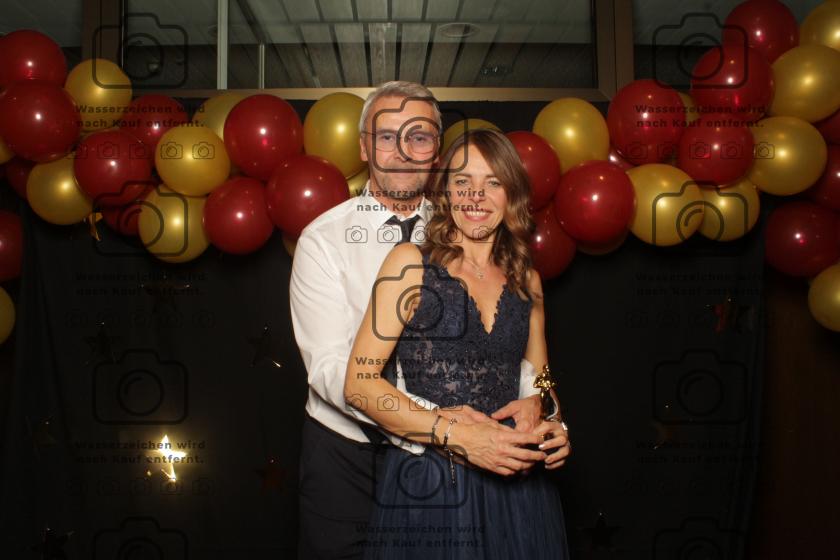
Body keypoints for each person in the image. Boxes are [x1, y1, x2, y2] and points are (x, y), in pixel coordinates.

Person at [290, 81, 564, 559]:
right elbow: (333, 370)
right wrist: (442, 424)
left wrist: (546, 411)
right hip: (349, 453)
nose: (402, 151)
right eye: (386, 136)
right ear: (363, 147)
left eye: (417, 137)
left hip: (479, 461)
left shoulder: (468, 216)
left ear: (436, 151)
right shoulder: (324, 240)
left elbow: (514, 358)